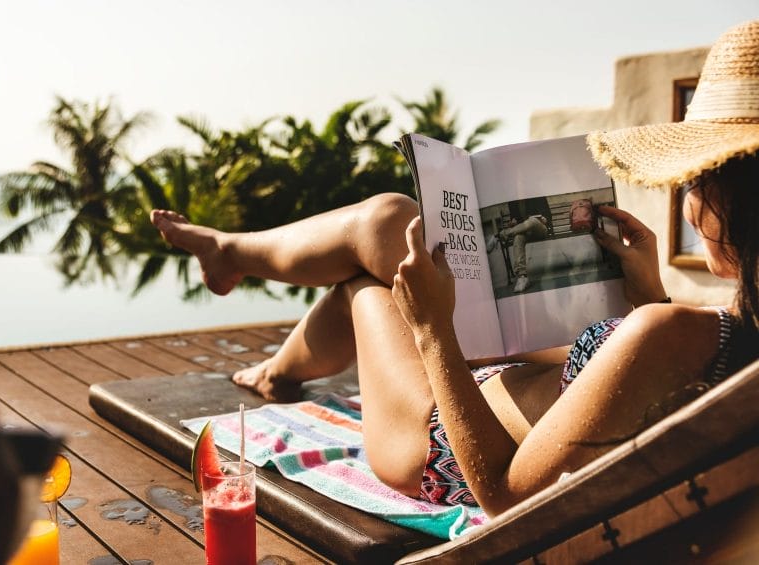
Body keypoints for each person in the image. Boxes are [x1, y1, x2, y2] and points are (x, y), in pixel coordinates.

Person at [151, 19, 759, 516]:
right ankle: (258, 326)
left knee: (367, 283)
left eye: (697, 179)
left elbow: (507, 495)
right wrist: (648, 292)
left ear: (735, 202)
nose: (689, 197)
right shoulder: (716, 334)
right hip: (498, 391)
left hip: (435, 445)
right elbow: (660, 388)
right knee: (390, 225)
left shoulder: (677, 334)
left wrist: (433, 329)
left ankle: (247, 298)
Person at [485, 197, 551, 292]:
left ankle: (498, 236)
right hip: (525, 231)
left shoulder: (536, 194)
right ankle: (522, 276)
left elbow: (548, 216)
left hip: (540, 229)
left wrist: (545, 218)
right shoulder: (513, 202)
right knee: (518, 237)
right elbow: (517, 221)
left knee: (532, 220)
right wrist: (513, 222)